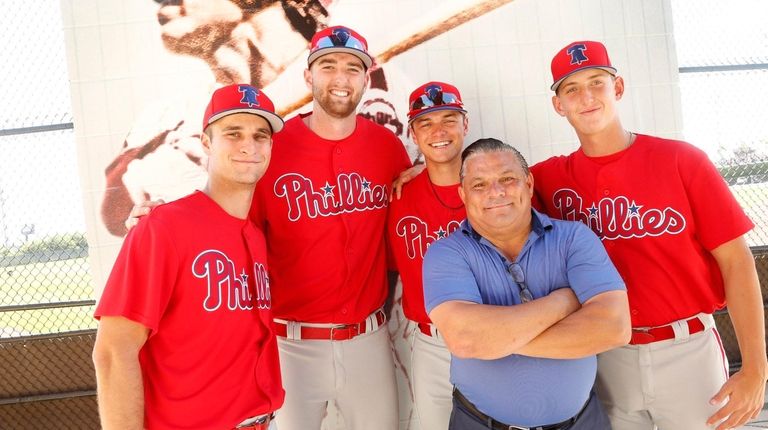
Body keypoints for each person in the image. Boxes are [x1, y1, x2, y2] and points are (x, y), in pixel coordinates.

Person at [532, 40, 767, 430]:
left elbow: (737, 261)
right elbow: (488, 187)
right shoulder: (547, 179)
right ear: (559, 105)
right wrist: (418, 173)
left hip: (687, 348)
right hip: (608, 355)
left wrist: (756, 368)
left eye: (597, 82)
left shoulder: (682, 160)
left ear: (618, 88)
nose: (586, 97)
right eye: (571, 89)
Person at [92, 84, 285, 429]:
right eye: (233, 133)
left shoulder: (254, 234)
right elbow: (113, 352)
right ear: (207, 142)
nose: (249, 146)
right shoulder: (162, 228)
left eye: (260, 136)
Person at [249, 25, 411, 430]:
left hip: (368, 340)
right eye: (328, 66)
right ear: (308, 76)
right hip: (291, 344)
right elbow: (237, 233)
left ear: (366, 78)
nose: (341, 78)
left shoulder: (387, 147)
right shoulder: (274, 147)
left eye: (352, 68)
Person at [423, 138, 630, 430]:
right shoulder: (446, 253)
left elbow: (614, 328)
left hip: (582, 423)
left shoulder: (574, 238)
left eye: (507, 179)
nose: (495, 192)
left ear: (529, 184)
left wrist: (495, 340)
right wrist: (564, 301)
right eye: (479, 185)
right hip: (480, 424)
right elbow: (466, 338)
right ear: (463, 194)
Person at [387, 81, 468, 429]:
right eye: (426, 123)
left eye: (449, 119)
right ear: (413, 134)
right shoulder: (399, 196)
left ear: (466, 124)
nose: (439, 131)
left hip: (492, 333)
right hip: (429, 341)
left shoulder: (496, 184)